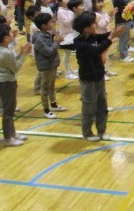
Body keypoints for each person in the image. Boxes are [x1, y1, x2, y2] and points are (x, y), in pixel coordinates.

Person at [73, 12, 125, 142]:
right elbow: (97, 50)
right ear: (86, 28)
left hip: (99, 77)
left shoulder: (92, 36)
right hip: (88, 80)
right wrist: (111, 37)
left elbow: (102, 37)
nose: (95, 24)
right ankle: (87, 133)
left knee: (102, 106)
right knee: (89, 108)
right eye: (93, 23)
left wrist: (114, 33)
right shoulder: (79, 43)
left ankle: (102, 131)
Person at [0, 23, 32, 147]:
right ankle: (8, 138)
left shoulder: (3, 48)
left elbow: (12, 62)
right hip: (6, 82)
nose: (12, 34)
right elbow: (15, 68)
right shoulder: (5, 52)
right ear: (6, 38)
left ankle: (12, 133)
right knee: (8, 112)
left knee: (10, 109)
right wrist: (24, 55)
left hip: (4, 81)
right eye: (10, 33)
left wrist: (21, 53)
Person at [32, 13, 66, 119]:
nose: (53, 23)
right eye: (51, 22)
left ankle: (53, 105)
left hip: (51, 65)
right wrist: (57, 42)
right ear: (43, 25)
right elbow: (48, 51)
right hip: (46, 67)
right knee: (45, 88)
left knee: (52, 86)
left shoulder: (46, 34)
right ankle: (46, 110)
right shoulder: (39, 39)